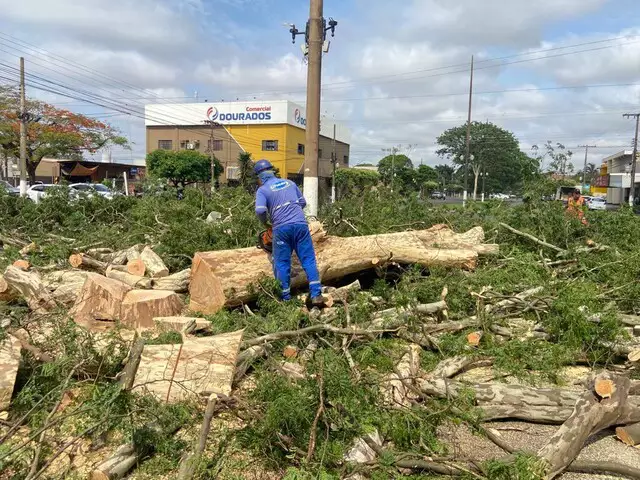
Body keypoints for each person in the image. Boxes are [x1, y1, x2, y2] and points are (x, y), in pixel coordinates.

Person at [254, 159, 324, 306]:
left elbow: (260, 210)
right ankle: (316, 294)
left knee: (282, 263)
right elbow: (302, 202)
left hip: (281, 228)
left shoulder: (263, 190)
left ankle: (285, 299)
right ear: (272, 171)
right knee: (308, 260)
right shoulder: (290, 183)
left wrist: (266, 223)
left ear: (260, 177)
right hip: (300, 225)